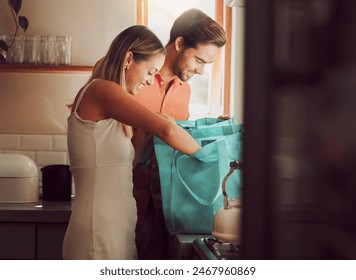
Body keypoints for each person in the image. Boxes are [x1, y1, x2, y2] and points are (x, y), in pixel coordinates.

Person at [62, 25, 200, 260]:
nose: (150, 81)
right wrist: (206, 153)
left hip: (119, 227)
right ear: (128, 59)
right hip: (98, 230)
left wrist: (143, 134)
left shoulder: (114, 108)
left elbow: (125, 167)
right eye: (150, 72)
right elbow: (167, 129)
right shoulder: (100, 90)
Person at [131, 9, 227, 259]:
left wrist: (213, 129)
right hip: (127, 207)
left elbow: (174, 142)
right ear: (180, 43)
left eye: (207, 64)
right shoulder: (134, 76)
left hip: (167, 214)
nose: (201, 71)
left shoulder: (183, 91)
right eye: (199, 60)